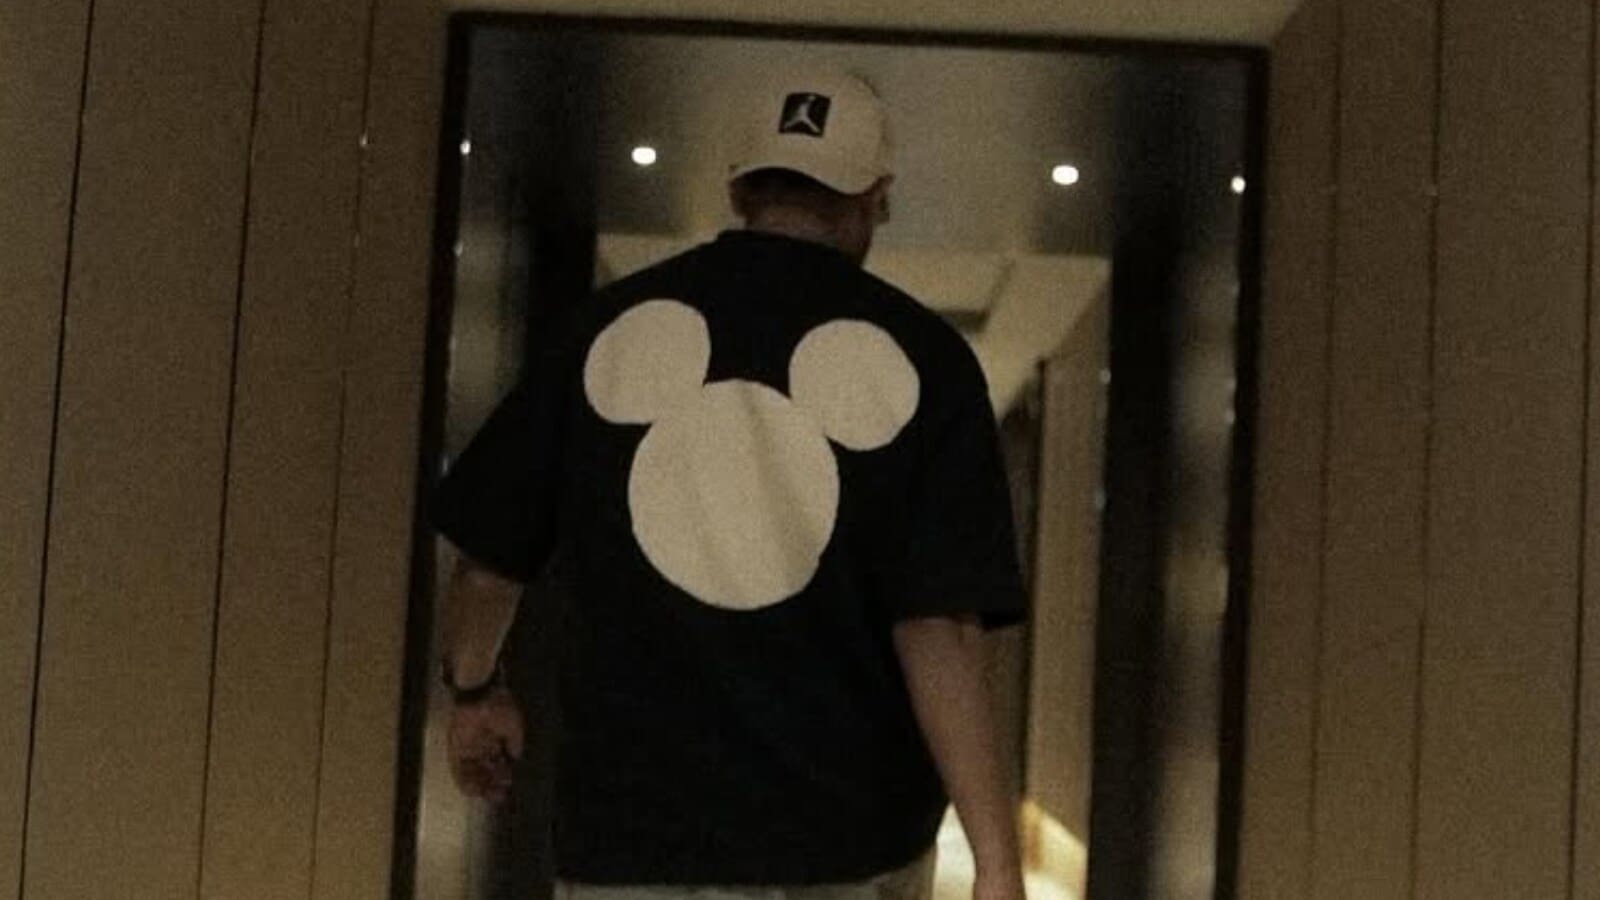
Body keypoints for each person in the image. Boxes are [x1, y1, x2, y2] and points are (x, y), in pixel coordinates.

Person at [430, 70, 1029, 900]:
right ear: (875, 199)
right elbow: (936, 629)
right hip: (845, 843)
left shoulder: (607, 334)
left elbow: (489, 565)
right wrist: (996, 862)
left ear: (740, 188)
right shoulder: (927, 362)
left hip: (632, 837)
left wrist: (473, 692)